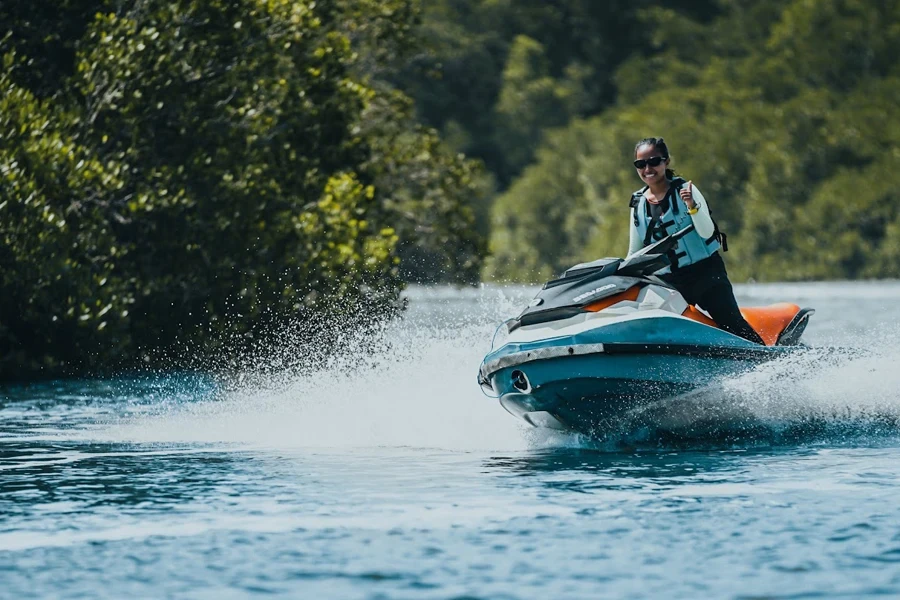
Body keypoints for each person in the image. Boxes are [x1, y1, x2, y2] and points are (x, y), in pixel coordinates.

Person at [628, 137, 764, 345]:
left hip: (706, 274)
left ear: (666, 162)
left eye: (654, 162)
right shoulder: (637, 202)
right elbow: (634, 252)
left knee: (731, 324)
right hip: (670, 283)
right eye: (641, 164)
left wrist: (691, 205)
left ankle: (767, 361)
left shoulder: (687, 190)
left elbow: (706, 230)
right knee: (664, 332)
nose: (648, 168)